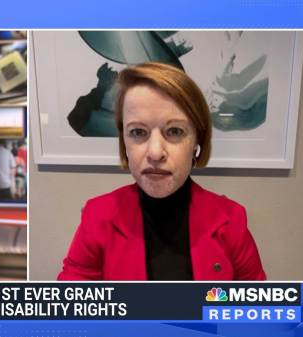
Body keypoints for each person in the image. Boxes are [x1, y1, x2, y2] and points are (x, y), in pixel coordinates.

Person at [58, 62, 266, 281]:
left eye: (175, 131)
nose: (155, 153)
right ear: (124, 142)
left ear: (198, 141)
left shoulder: (231, 220)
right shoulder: (97, 217)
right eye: (137, 132)